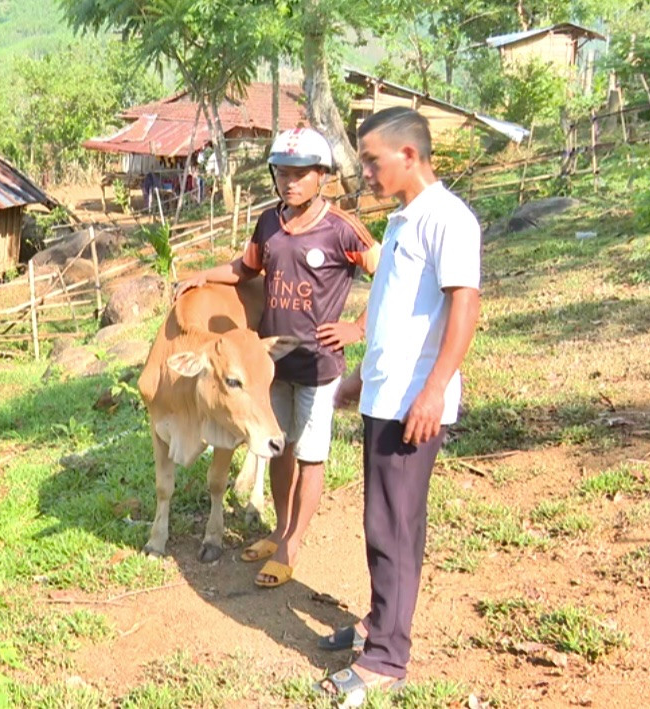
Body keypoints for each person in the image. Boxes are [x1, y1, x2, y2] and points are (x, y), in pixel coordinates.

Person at [316, 107, 481, 705]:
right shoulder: (402, 222)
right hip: (387, 395)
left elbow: (464, 307)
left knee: (392, 526)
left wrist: (434, 389)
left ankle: (387, 655)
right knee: (390, 521)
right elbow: (391, 317)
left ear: (409, 156)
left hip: (414, 402)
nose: (365, 172)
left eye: (371, 160)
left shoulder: (447, 219)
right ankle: (378, 622)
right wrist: (360, 378)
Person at [175, 127, 380, 588]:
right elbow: (244, 268)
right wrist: (199, 275)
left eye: (301, 174)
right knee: (279, 446)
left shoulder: (342, 228)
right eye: (283, 173)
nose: (291, 182)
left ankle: (293, 544)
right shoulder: (269, 223)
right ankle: (279, 529)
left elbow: (389, 275)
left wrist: (359, 327)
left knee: (310, 455)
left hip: (318, 366)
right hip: (270, 365)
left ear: (323, 176)